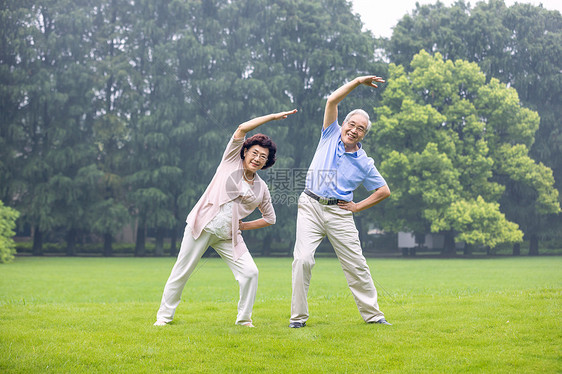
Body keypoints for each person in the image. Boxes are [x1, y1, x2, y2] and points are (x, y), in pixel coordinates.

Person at [155, 109, 297, 328]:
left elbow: (270, 218)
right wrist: (273, 117)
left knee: (250, 273)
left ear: (267, 162)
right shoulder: (230, 161)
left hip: (228, 236)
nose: (257, 158)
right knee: (182, 271)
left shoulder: (261, 188)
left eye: (263, 157)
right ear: (245, 151)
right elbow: (242, 128)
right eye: (255, 153)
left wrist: (243, 225)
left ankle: (244, 319)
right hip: (202, 226)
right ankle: (164, 316)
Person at [289, 76, 391, 328]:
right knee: (302, 260)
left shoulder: (365, 163)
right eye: (352, 124)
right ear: (343, 123)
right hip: (310, 206)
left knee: (356, 265)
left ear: (364, 134)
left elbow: (383, 190)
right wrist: (357, 82)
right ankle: (298, 318)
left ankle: (374, 316)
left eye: (361, 129)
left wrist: (357, 206)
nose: (354, 130)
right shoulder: (330, 134)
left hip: (340, 213)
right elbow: (332, 99)